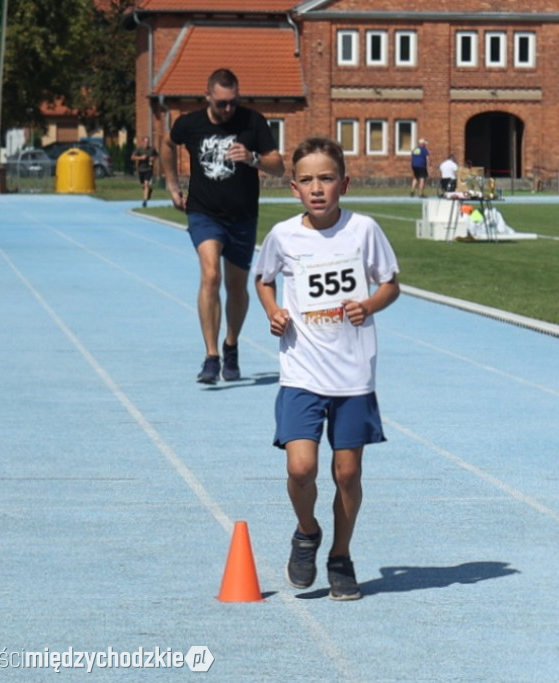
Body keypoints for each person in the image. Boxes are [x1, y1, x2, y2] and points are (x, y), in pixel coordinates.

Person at [253, 136, 401, 600]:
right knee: (301, 468)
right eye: (307, 180)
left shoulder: (364, 231)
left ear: (345, 183)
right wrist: (272, 311)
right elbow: (264, 280)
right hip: (302, 370)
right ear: (293, 188)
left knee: (347, 473)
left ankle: (340, 555)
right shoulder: (282, 235)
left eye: (327, 178)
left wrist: (369, 304)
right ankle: (307, 531)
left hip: (353, 374)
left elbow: (391, 285)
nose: (317, 188)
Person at [161, 68, 285, 384]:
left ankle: (231, 345)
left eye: (233, 102)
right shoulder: (189, 124)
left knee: (236, 285)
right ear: (208, 98)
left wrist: (253, 158)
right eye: (221, 103)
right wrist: (173, 185)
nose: (228, 109)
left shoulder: (252, 122)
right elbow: (167, 144)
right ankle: (211, 356)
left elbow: (279, 166)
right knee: (210, 275)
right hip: (204, 212)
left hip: (242, 215)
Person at [130, 136, 158, 208]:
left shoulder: (151, 149)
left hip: (148, 169)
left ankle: (145, 201)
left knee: (146, 184)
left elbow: (157, 156)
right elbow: (132, 157)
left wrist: (153, 158)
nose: (147, 143)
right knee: (143, 185)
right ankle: (149, 191)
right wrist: (140, 158)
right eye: (145, 142)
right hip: (141, 170)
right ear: (143, 142)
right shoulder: (139, 149)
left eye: (148, 142)